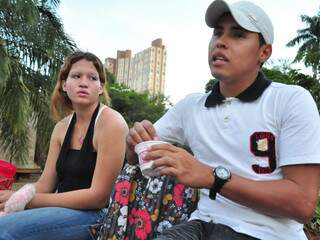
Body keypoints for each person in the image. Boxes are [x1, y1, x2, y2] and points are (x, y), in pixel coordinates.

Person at [126, 1, 320, 239]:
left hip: (268, 234)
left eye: (238, 35)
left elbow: (302, 204)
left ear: (264, 52)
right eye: (218, 32)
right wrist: (133, 141)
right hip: (202, 224)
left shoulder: (290, 100)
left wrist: (210, 176)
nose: (221, 41)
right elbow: (135, 157)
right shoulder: (191, 106)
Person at [0, 51, 128, 240]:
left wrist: (29, 201)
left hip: (98, 216)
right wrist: (16, 196)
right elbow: (46, 183)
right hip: (59, 209)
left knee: (8, 229)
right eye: (76, 76)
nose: (84, 82)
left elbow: (99, 197)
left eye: (92, 78)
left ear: (100, 88)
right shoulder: (61, 127)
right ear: (64, 85)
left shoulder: (111, 123)